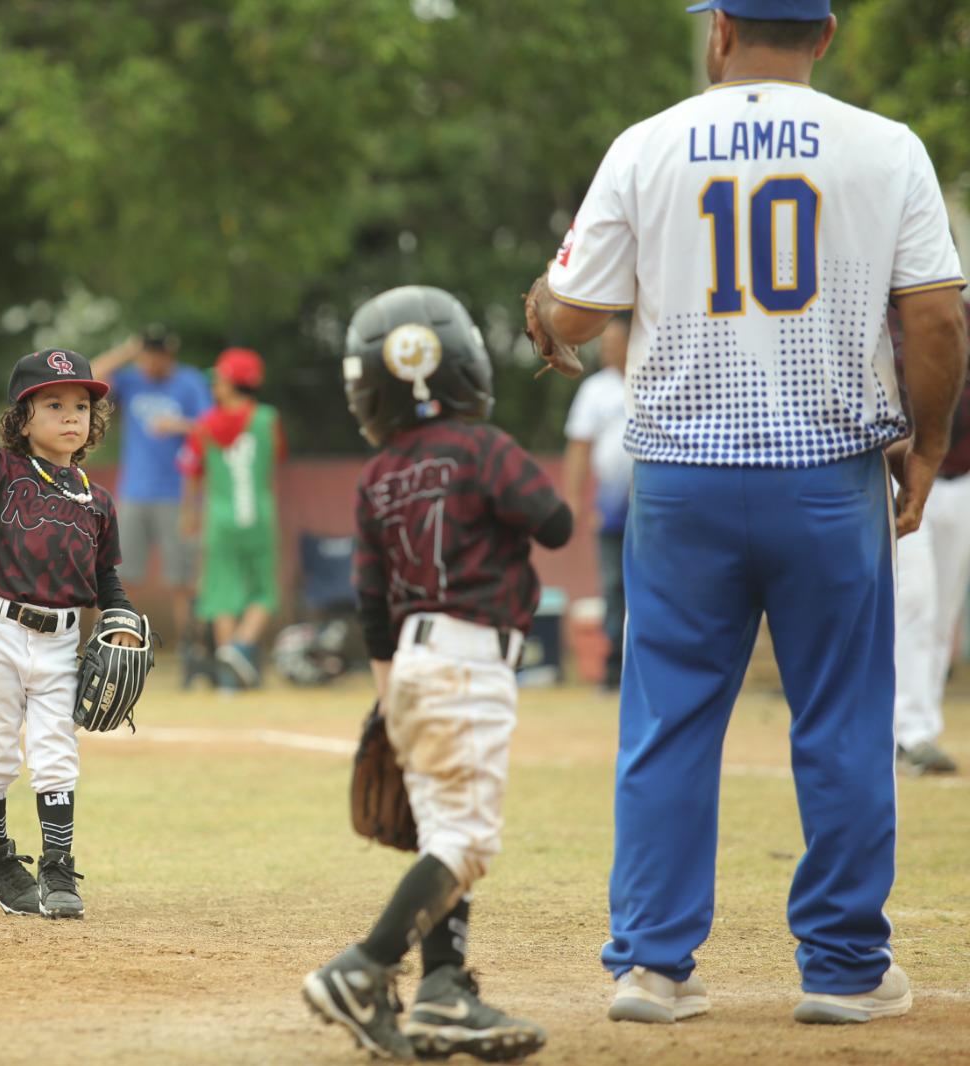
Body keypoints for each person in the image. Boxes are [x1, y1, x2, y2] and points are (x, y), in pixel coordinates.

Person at [526, 0, 967, 1025]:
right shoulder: (885, 147)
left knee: (668, 720)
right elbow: (937, 312)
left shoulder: (645, 145)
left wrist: (546, 299)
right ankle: (845, 967)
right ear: (824, 35)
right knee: (843, 721)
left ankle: (651, 964)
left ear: (718, 30)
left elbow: (575, 314)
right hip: (826, 474)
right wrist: (930, 444)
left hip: (679, 480)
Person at [303, 285, 568, 1059]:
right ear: (463, 366)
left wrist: (389, 699)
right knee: (467, 842)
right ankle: (362, 968)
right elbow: (555, 522)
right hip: (470, 661)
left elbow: (371, 602)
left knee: (443, 828)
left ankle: (443, 991)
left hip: (411, 666)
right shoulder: (483, 447)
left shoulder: (376, 474)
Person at [0, 348, 139, 920]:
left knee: (56, 754)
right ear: (23, 420)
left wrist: (121, 620)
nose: (71, 416)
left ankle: (56, 866)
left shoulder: (96, 502)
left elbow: (106, 578)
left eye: (81, 405)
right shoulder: (3, 471)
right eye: (53, 405)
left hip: (60, 641)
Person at [90, 326, 212, 647]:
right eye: (145, 356)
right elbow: (91, 374)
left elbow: (213, 427)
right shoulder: (132, 379)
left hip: (177, 495)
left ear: (169, 355)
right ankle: (105, 647)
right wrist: (127, 350)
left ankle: (192, 653)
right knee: (116, 576)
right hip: (134, 492)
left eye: (155, 356)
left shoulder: (190, 381)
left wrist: (179, 425)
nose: (150, 363)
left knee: (183, 581)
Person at [893, 302, 970, 776]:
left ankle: (923, 720)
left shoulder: (957, 312)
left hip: (960, 475)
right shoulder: (880, 313)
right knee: (914, 599)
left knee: (943, 611)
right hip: (902, 471)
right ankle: (908, 730)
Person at [178, 348, 283, 689]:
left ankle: (228, 673)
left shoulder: (205, 425)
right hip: (258, 517)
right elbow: (276, 457)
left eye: (220, 379)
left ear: (234, 382)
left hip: (220, 520)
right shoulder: (268, 419)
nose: (215, 386)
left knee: (221, 593)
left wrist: (189, 512)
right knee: (264, 592)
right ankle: (240, 647)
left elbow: (192, 471)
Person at [561, 316, 632, 690]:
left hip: (654, 504)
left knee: (654, 581)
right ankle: (614, 663)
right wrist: (574, 499)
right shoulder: (595, 391)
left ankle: (647, 660)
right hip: (611, 503)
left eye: (614, 342)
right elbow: (579, 446)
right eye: (604, 344)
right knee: (613, 582)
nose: (607, 349)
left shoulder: (654, 376)